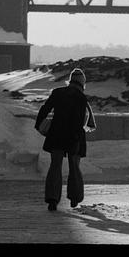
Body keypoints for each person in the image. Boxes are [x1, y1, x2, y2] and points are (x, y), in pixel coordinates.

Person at [35, 68, 96, 211]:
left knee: (55, 165)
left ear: (70, 81)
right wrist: (76, 137)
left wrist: (39, 124)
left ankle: (52, 199)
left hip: (56, 134)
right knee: (74, 167)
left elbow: (45, 108)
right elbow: (80, 120)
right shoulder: (81, 98)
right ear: (82, 83)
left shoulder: (58, 93)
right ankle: (74, 197)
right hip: (74, 136)